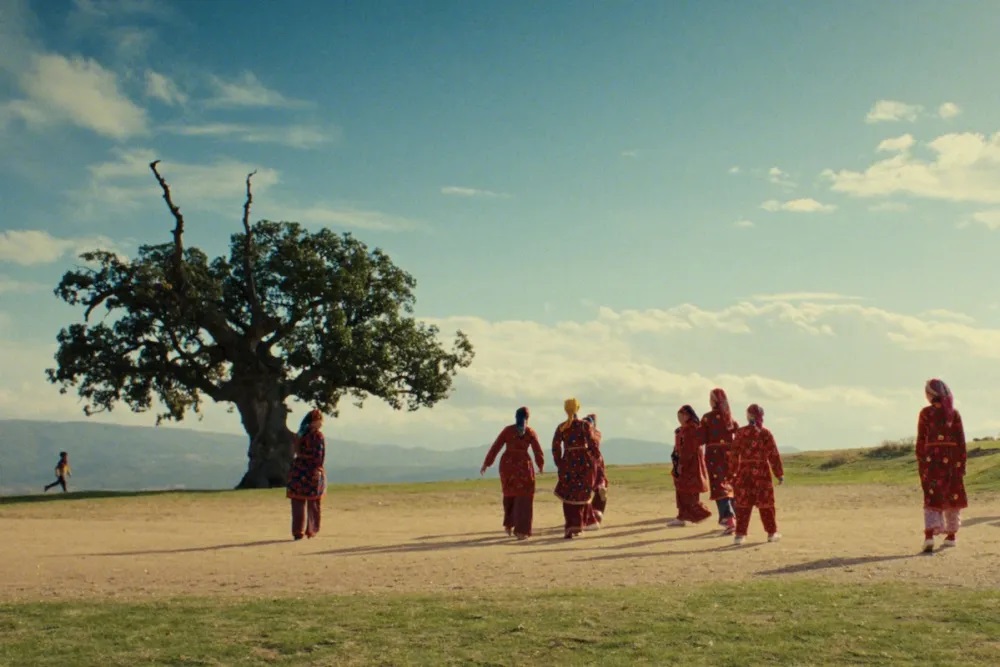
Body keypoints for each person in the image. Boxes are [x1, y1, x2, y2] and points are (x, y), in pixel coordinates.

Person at [916, 379, 968, 553]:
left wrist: (921, 461)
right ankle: (951, 536)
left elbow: (921, 440)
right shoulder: (954, 413)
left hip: (932, 463)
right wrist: (961, 464)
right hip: (953, 462)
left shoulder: (925, 413)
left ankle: (929, 536)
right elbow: (961, 441)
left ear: (931, 394)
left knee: (932, 498)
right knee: (952, 497)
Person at [480, 407, 545, 540]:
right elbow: (538, 450)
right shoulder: (530, 432)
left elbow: (496, 446)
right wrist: (540, 465)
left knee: (509, 494)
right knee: (525, 497)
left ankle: (509, 525)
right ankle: (522, 531)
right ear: (528, 418)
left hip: (508, 466)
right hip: (523, 466)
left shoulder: (508, 430)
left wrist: (487, 463)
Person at [730, 404, 784, 545]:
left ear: (748, 416)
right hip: (762, 472)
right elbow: (773, 454)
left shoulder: (740, 433)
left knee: (742, 504)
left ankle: (740, 536)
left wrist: (731, 474)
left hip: (744, 472)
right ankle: (772, 534)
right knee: (766, 504)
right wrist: (779, 474)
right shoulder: (765, 433)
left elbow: (734, 455)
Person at [552, 397, 601, 539]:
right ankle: (577, 527)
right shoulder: (584, 425)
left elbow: (555, 447)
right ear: (578, 409)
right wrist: (595, 458)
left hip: (567, 462)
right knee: (580, 495)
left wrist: (559, 462)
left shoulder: (561, 427)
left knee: (568, 495)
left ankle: (570, 526)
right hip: (583, 463)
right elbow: (592, 443)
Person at [701, 388, 739, 535]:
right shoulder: (730, 419)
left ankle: (729, 519)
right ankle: (735, 517)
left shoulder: (707, 418)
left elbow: (700, 437)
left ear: (714, 401)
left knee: (720, 487)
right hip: (730, 456)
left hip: (715, 456)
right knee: (730, 486)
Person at [668, 405, 712, 526]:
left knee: (689, 492)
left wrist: (681, 463)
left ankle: (701, 513)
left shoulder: (691, 429)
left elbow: (688, 449)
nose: (679, 419)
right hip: (684, 462)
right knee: (682, 490)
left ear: (687, 416)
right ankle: (682, 516)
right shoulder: (684, 429)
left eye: (680, 416)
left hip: (690, 464)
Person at [286, 409, 326, 541]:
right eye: (319, 420)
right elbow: (319, 456)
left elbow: (296, 451)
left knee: (297, 502)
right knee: (313, 502)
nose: (321, 423)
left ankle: (298, 531)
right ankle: (311, 529)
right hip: (311, 471)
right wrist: (318, 469)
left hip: (297, 470)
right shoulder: (317, 436)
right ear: (315, 421)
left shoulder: (300, 434)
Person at [583, 413, 608, 528]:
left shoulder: (584, 434)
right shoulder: (597, 434)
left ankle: (588, 515)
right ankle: (597, 512)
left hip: (585, 461)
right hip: (598, 461)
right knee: (600, 484)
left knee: (584, 490)